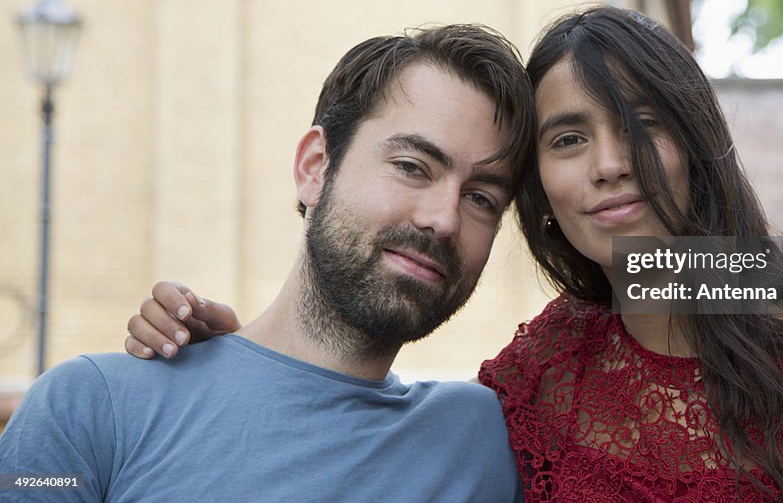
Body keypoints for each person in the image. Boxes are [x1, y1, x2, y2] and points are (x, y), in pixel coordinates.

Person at [122, 6, 783, 501]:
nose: (612, 163)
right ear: (538, 190)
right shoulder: (532, 384)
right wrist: (235, 370)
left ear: (697, 139)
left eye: (646, 123)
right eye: (569, 137)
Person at [0, 24, 536, 501]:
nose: (444, 219)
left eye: (482, 198)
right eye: (412, 166)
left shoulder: (492, 437)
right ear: (315, 167)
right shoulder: (93, 406)